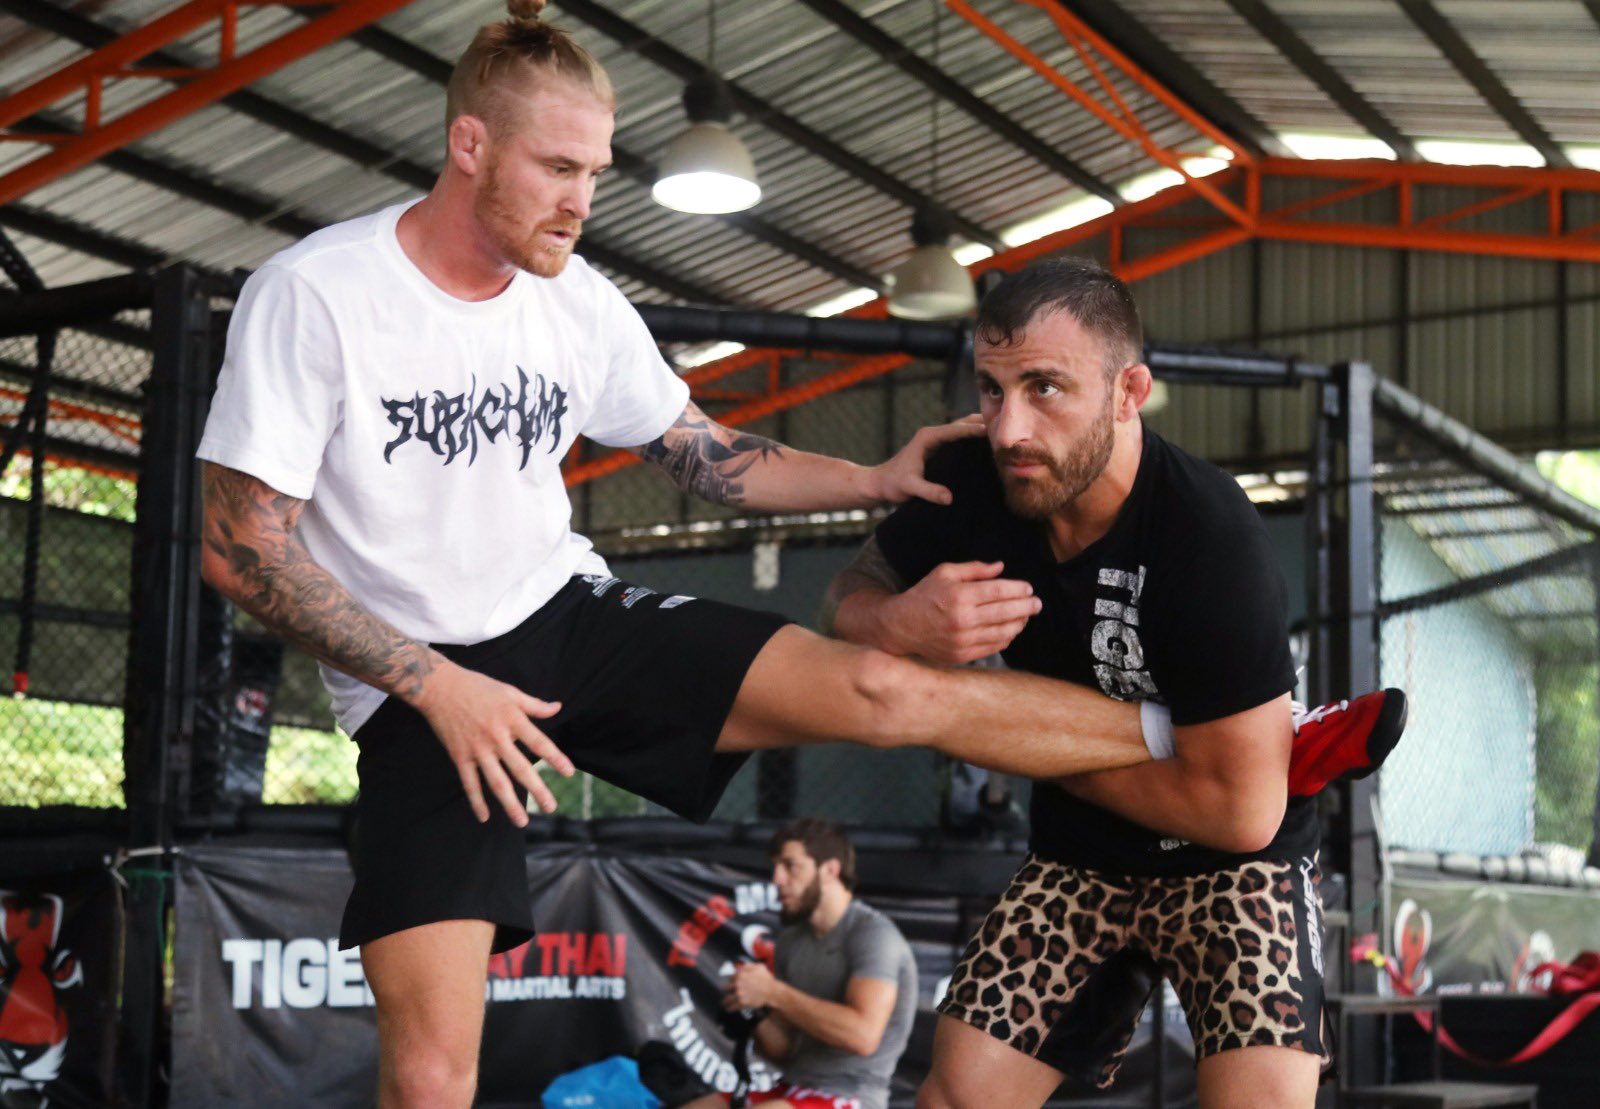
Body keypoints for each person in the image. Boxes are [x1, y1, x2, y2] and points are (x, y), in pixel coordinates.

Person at [193, 5, 1392, 1105]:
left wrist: (869, 476)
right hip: (421, 683)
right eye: (557, 169)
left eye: (596, 175)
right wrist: (434, 683)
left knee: (889, 687)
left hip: (565, 614)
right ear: (467, 145)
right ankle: (1244, 749)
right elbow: (242, 552)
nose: (579, 203)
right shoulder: (318, 295)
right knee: (433, 1073)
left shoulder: (573, 300)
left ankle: (1230, 743)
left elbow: (706, 453)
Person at [822, 257, 1408, 1109]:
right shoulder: (976, 478)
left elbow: (1243, 812)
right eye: (990, 389)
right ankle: (1274, 734)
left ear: (1129, 390)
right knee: (958, 1093)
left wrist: (1006, 731)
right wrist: (897, 622)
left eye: (1046, 388)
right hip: (1081, 853)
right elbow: (844, 595)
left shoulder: (1208, 532)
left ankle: (1275, 735)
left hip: (1235, 862)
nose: (1009, 426)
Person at [680, 820, 916, 1109]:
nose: (777, 879)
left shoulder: (872, 934)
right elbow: (785, 1050)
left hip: (852, 1096)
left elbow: (862, 1036)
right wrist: (754, 1013)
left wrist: (774, 993)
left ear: (829, 870)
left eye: (790, 866)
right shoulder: (792, 941)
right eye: (775, 867)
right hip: (792, 1086)